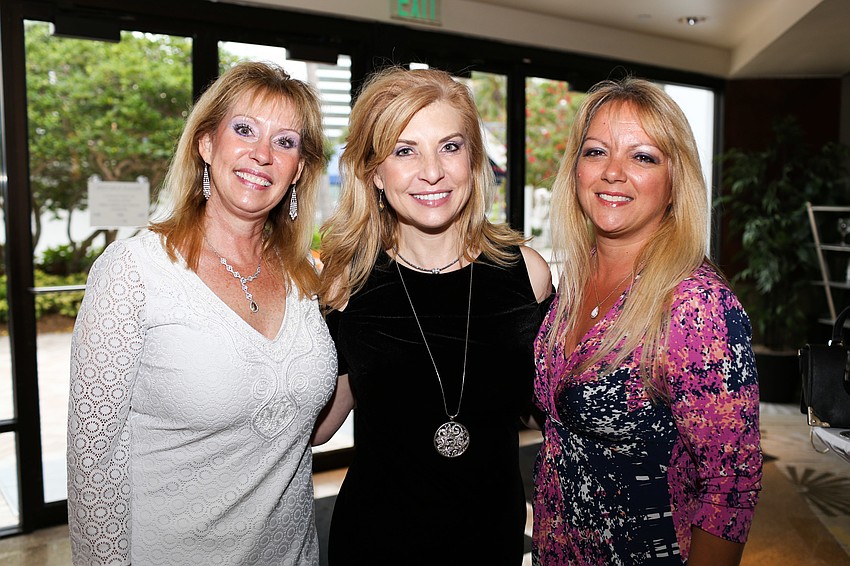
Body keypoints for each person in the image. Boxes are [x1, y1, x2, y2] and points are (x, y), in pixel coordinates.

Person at [67, 61, 337, 565]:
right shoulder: (134, 272)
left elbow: (307, 426)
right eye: (244, 130)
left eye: (285, 142)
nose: (262, 154)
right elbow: (93, 463)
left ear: (299, 169)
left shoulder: (307, 279)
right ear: (206, 144)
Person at [314, 66, 553, 565]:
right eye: (405, 151)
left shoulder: (525, 274)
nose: (432, 171)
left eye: (450, 146)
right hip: (376, 543)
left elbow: (547, 409)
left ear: (473, 158)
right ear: (375, 172)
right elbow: (318, 426)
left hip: (491, 540)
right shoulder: (347, 283)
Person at [532, 77, 762, 565]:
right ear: (575, 169)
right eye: (596, 152)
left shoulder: (695, 307)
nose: (613, 172)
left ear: (677, 180)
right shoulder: (572, 283)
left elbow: (731, 486)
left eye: (643, 157)